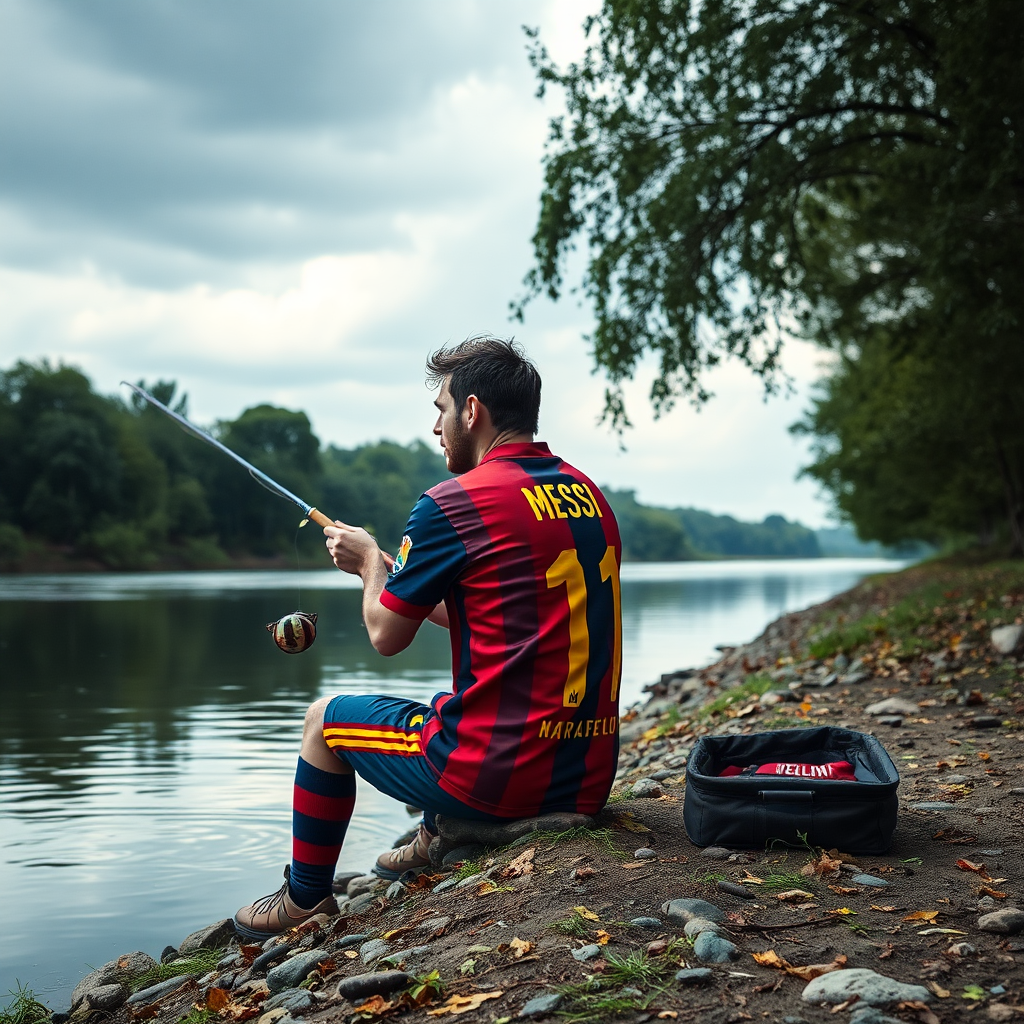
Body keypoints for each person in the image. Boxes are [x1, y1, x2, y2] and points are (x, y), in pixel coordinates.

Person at [234, 336, 623, 939]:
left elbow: (386, 636)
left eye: (441, 408)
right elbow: (498, 614)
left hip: (500, 775)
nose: (436, 425)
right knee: (448, 713)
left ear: (473, 411)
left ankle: (305, 900)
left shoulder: (453, 502)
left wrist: (368, 568)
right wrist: (398, 576)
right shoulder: (589, 495)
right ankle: (440, 830)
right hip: (588, 774)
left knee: (323, 721)